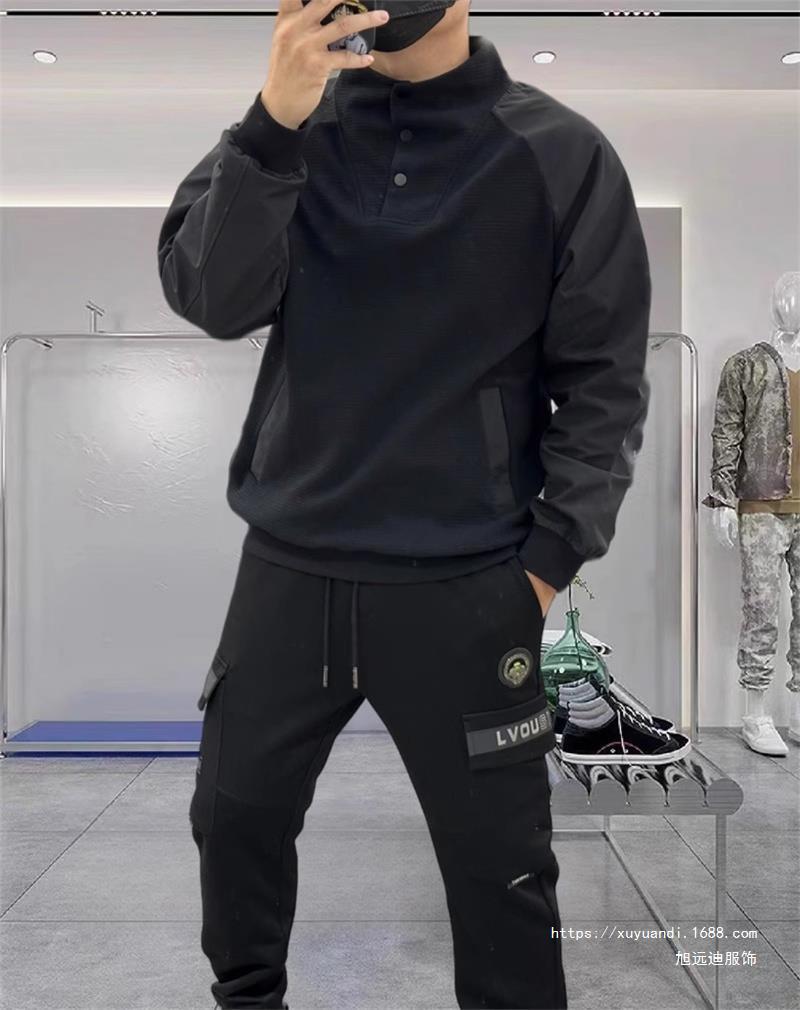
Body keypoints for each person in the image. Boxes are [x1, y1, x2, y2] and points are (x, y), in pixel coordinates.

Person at [157, 2, 652, 1007]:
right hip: (290, 567)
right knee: (233, 818)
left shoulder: (559, 152)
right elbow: (210, 298)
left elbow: (604, 380)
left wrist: (546, 561)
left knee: (500, 870)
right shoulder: (290, 131)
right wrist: (271, 123)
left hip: (468, 582)